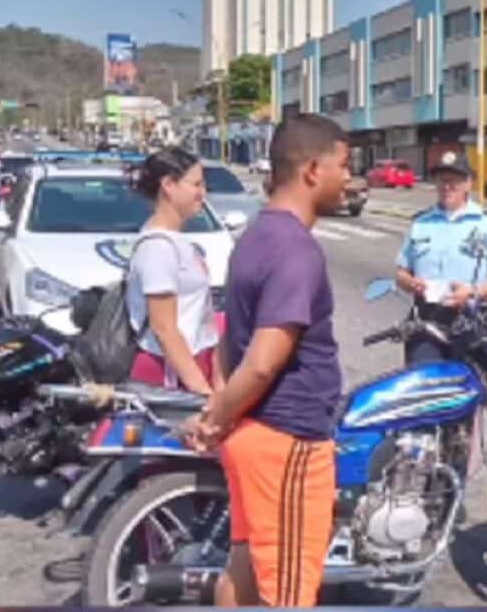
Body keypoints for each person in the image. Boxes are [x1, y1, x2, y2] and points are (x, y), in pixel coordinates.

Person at [190, 113, 350, 608]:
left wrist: (222, 414)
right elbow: (262, 361)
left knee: (243, 572)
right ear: (311, 170)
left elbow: (228, 338)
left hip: (255, 436)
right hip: (288, 441)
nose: (349, 177)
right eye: (343, 165)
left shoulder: (256, 237)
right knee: (288, 594)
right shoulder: (295, 251)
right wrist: (214, 418)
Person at [395, 150, 487, 365]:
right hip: (427, 322)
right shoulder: (421, 223)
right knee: (425, 389)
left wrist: (475, 292)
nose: (447, 186)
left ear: (468, 184)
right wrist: (411, 283)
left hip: (470, 322)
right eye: (442, 180)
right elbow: (401, 273)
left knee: (473, 391)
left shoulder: (486, 224)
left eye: (454, 181)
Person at [126, 147, 221, 394]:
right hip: (168, 374)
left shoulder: (177, 242)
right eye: (196, 184)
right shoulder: (158, 247)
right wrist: (201, 390)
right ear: (168, 185)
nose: (203, 193)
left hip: (193, 364)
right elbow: (164, 328)